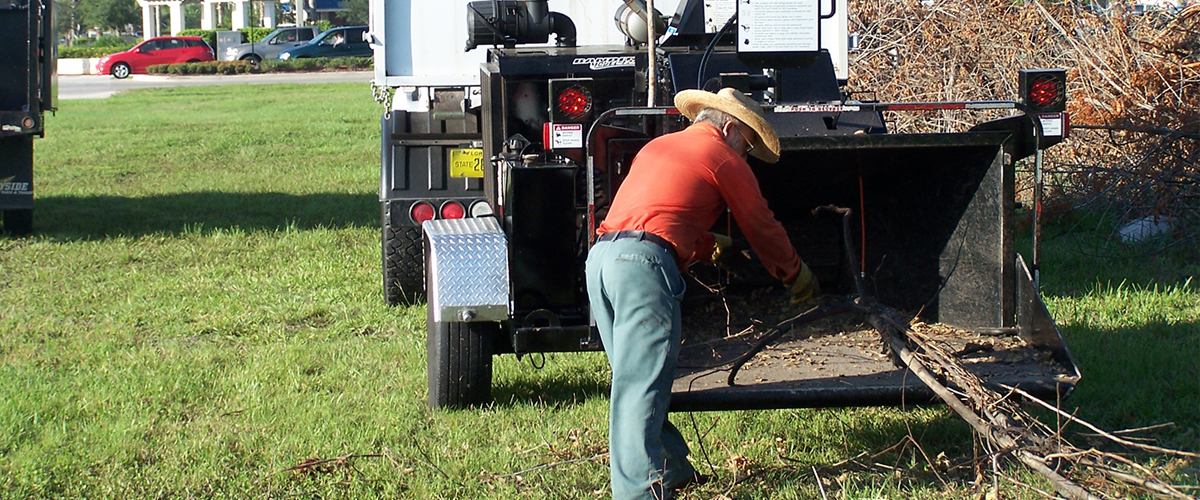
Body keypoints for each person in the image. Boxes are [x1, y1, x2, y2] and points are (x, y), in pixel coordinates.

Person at [585, 87, 819, 500]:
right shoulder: (723, 157)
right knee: (641, 385)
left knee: (635, 378)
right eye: (746, 145)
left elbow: (659, 215)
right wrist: (795, 273)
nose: (745, 156)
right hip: (641, 268)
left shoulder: (660, 146)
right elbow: (760, 223)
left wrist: (709, 248)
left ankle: (673, 468)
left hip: (602, 262)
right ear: (729, 127)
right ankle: (639, 494)